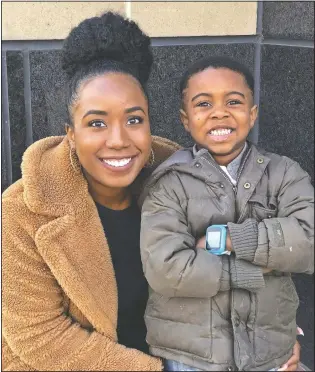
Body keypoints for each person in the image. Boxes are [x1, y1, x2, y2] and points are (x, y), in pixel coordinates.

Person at [1, 12, 301, 371]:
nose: (118, 140)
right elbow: (41, 337)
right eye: (97, 123)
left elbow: (248, 264)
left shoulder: (186, 177)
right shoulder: (22, 211)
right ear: (71, 133)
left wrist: (281, 338)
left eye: (134, 119)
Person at [140, 56, 313, 371]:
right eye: (203, 104)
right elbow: (166, 268)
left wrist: (227, 238)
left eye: (233, 101)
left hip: (271, 351)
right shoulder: (169, 182)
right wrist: (254, 271)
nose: (219, 112)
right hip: (192, 357)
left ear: (252, 113)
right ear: (185, 119)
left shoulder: (285, 173)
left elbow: (309, 240)